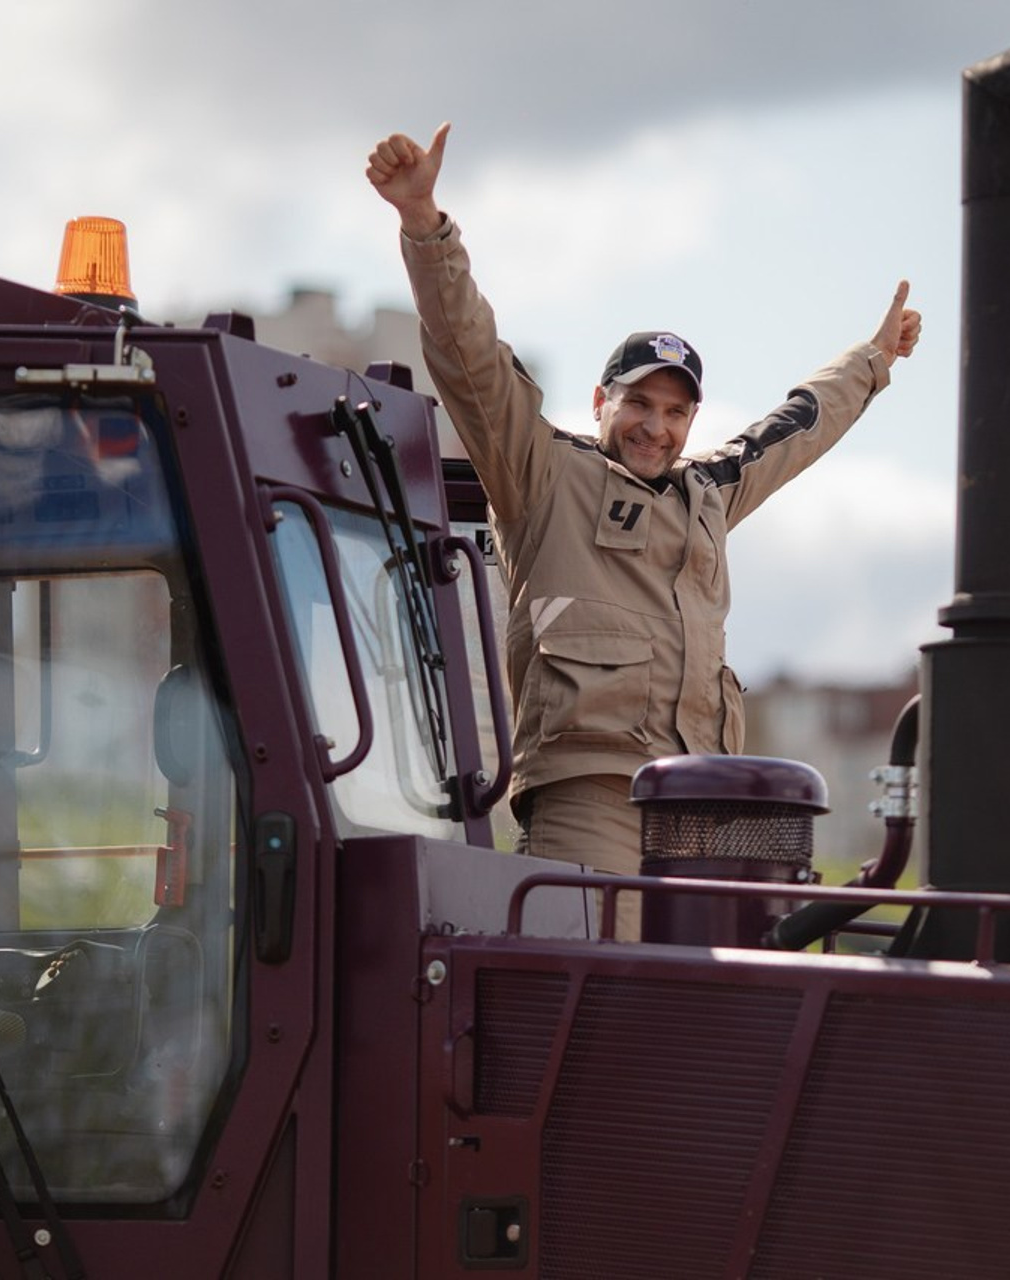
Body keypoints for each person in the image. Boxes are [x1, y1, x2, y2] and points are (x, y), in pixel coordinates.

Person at [366, 122, 921, 888]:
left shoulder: (707, 493)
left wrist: (872, 361)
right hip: (591, 796)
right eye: (639, 403)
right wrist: (425, 224)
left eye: (674, 412)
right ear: (600, 400)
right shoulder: (544, 473)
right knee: (597, 985)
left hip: (701, 799)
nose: (655, 427)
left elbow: (794, 427)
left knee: (705, 995)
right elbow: (472, 357)